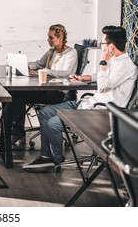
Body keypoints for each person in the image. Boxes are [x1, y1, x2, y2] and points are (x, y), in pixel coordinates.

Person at [23, 25, 138, 172]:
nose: (100, 45)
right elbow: (104, 77)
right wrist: (86, 77)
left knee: (53, 124)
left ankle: (56, 159)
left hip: (99, 112)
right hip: (88, 104)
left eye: (102, 43)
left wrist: (103, 61)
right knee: (45, 112)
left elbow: (103, 86)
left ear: (110, 46)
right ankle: (46, 157)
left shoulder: (126, 66)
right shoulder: (117, 61)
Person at [10, 24, 78, 145]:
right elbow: (38, 64)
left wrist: (43, 72)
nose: (48, 40)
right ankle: (15, 130)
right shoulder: (51, 51)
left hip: (59, 93)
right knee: (15, 92)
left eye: (51, 38)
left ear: (60, 38)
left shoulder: (71, 53)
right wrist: (25, 65)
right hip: (47, 89)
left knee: (18, 95)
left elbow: (67, 73)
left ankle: (16, 131)